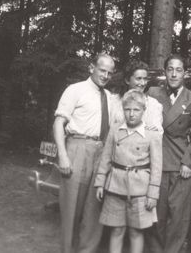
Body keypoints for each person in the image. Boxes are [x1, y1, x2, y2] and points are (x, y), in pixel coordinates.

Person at [53, 53, 115, 253]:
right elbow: (58, 123)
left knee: (94, 209)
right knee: (71, 208)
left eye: (109, 73)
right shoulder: (75, 90)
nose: (105, 76)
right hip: (77, 148)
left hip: (101, 151)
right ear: (92, 68)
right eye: (102, 70)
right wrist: (62, 155)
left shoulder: (109, 97)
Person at [147, 55, 191, 253]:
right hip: (156, 162)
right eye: (170, 69)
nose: (173, 73)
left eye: (178, 69)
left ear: (185, 73)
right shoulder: (153, 93)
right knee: (156, 214)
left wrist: (188, 163)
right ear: (165, 72)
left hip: (181, 164)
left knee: (178, 216)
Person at [94, 89, 163, 253]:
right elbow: (106, 157)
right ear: (123, 109)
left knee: (136, 231)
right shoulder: (116, 130)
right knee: (116, 230)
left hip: (140, 190)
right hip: (115, 186)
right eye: (128, 109)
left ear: (143, 111)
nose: (131, 114)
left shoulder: (152, 134)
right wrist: (100, 183)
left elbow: (157, 167)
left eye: (136, 110)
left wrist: (153, 193)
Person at [110, 60, 163, 131]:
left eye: (145, 79)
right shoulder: (115, 101)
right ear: (127, 80)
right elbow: (109, 129)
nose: (143, 83)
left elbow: (158, 132)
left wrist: (155, 130)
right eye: (139, 78)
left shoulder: (153, 105)